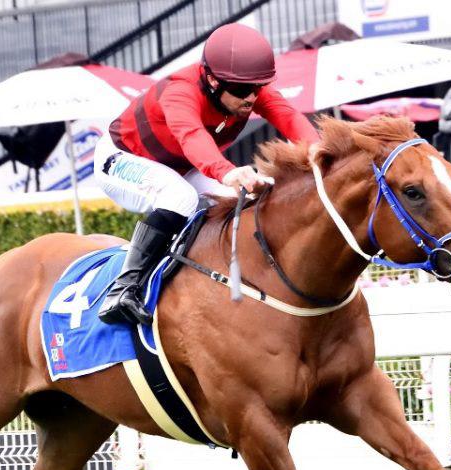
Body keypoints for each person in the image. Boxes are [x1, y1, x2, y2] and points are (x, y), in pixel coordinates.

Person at [93, 23, 319, 325]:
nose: (252, 98)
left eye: (258, 87)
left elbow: (287, 115)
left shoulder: (244, 88)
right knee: (180, 198)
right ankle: (123, 289)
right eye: (243, 90)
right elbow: (191, 137)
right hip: (120, 158)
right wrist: (227, 172)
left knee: (242, 197)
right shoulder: (179, 92)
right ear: (212, 80)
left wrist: (317, 149)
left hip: (179, 166)